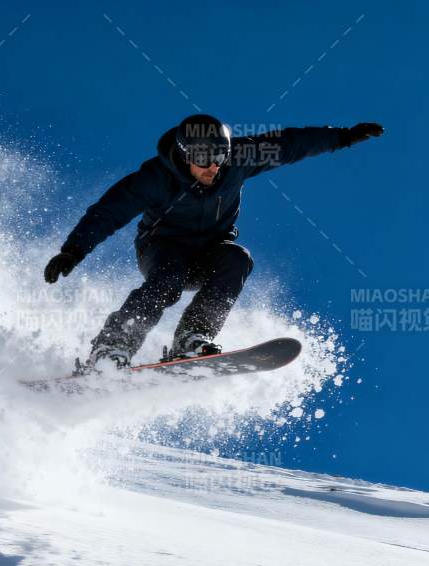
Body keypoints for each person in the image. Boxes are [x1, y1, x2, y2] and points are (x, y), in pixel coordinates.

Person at [44, 113, 383, 372]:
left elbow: (290, 144)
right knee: (168, 279)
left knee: (237, 258)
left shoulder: (240, 158)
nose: (213, 168)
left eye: (219, 158)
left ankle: (193, 338)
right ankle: (111, 349)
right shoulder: (154, 179)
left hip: (210, 251)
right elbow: (107, 213)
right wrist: (73, 251)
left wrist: (342, 137)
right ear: (185, 155)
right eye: (204, 161)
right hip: (163, 249)